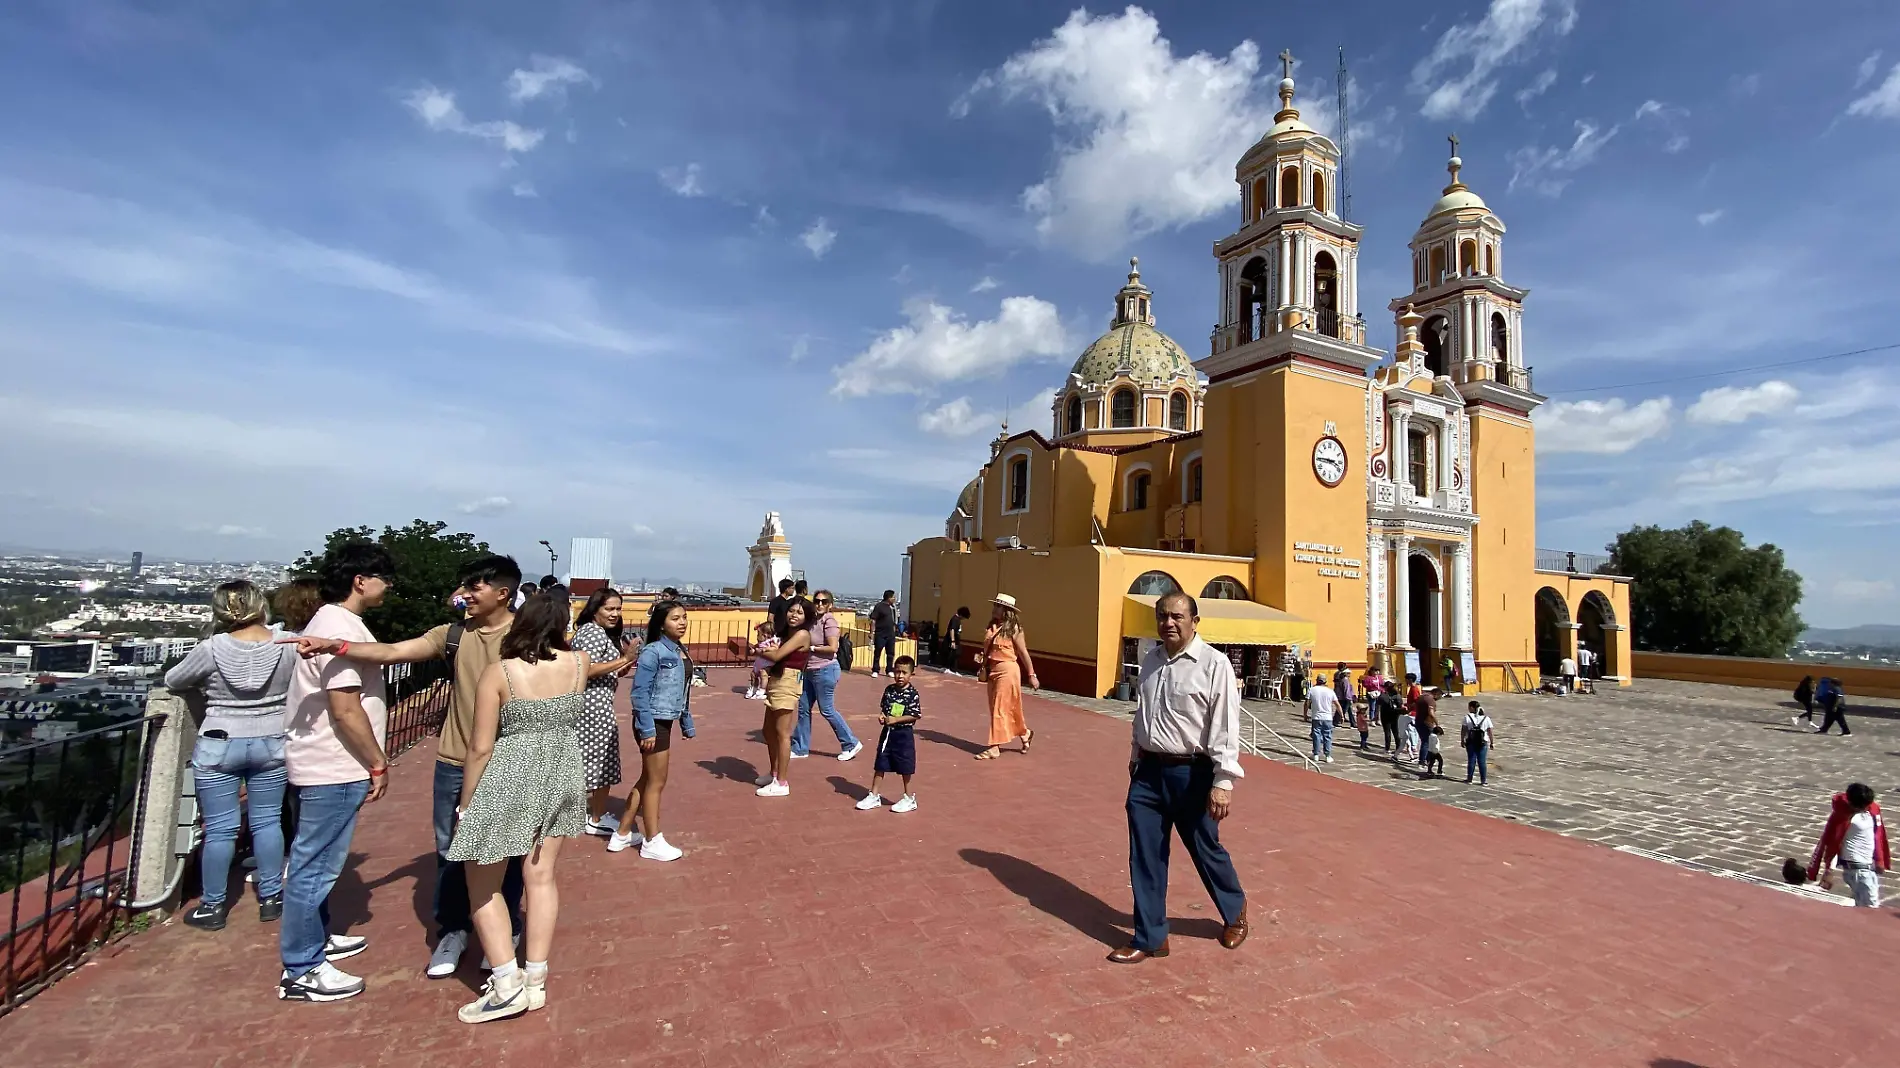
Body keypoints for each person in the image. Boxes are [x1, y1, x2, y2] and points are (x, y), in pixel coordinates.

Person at [288, 554, 526, 981]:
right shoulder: (452, 634)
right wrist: (334, 646)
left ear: (503, 593)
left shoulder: (526, 639)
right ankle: (453, 930)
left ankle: (505, 931)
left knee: (509, 850)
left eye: (475, 588)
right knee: (451, 851)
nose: (465, 595)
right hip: (454, 760)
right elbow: (394, 651)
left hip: (510, 760)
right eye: (464, 586)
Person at [446, 592, 589, 1023]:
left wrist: (466, 803)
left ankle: (506, 984)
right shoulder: (578, 663)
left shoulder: (501, 672)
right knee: (540, 876)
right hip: (562, 768)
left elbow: (480, 745)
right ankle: (535, 979)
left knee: (482, 879)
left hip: (511, 773)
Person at [276, 543, 392, 1002]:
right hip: (334, 764)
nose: (389, 588)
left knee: (317, 861)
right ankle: (301, 968)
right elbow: (345, 709)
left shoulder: (332, 624)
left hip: (323, 761)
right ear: (361, 580)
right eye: (384, 578)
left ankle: (316, 938)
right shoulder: (337, 623)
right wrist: (376, 761)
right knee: (315, 866)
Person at [1110, 591, 1248, 964]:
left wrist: (1223, 782)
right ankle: (1151, 936)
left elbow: (1225, 727)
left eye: (1176, 616)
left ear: (1194, 621)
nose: (1168, 622)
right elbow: (1143, 715)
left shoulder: (1214, 664)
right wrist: (1135, 756)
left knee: (1205, 848)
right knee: (1145, 855)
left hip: (1193, 773)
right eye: (1162, 616)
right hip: (1149, 774)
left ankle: (1234, 912)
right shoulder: (1151, 660)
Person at [165, 580, 297, 930]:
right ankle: (271, 896)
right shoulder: (287, 645)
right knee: (267, 821)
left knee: (221, 829)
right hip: (272, 739)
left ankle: (214, 905)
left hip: (220, 740)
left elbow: (174, 680)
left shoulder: (210, 648)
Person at [609, 600, 695, 860]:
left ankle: (622, 833)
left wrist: (686, 721)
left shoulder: (679, 650)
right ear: (661, 623)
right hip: (653, 722)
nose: (681, 623)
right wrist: (647, 729)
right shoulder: (653, 652)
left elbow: (684, 690)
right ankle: (652, 840)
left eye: (684, 617)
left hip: (666, 719)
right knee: (657, 782)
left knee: (648, 778)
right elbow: (639, 693)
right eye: (675, 618)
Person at [569, 588, 639, 837]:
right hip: (593, 708)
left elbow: (601, 669)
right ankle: (595, 818)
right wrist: (623, 659)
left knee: (587, 762)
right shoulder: (593, 633)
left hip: (594, 704)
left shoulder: (595, 633)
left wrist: (622, 664)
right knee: (601, 764)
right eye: (609, 609)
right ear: (595, 609)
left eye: (618, 609)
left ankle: (582, 814)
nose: (615, 614)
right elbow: (586, 669)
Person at [791, 590, 862, 762]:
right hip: (810, 671)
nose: (820, 604)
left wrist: (812, 649)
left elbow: (832, 648)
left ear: (830, 604)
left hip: (825, 670)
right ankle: (800, 747)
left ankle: (850, 743)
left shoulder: (829, 621)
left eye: (824, 602)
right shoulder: (813, 620)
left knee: (827, 709)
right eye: (817, 601)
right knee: (803, 708)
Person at [752, 600, 814, 796]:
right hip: (777, 679)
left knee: (782, 733)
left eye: (800, 612)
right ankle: (774, 772)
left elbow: (778, 655)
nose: (794, 615)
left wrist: (760, 651)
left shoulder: (802, 634)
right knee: (768, 730)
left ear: (807, 617)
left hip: (788, 681)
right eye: (792, 611)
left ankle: (782, 782)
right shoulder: (786, 633)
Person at [1806, 783, 1890, 908]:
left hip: (1869, 868)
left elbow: (1877, 836)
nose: (1867, 808)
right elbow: (1833, 844)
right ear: (1852, 804)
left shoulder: (1873, 809)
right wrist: (1829, 870)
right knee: (1871, 909)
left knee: (1863, 906)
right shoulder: (1843, 816)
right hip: (1857, 870)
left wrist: (1879, 860)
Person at [976, 594, 1039, 760]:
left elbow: (1024, 653)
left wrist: (1031, 675)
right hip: (992, 670)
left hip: (1008, 670)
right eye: (995, 605)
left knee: (999, 707)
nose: (994, 609)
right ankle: (1025, 733)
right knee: (1000, 708)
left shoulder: (1014, 629)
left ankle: (994, 747)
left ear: (1007, 611)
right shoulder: (992, 627)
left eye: (998, 606)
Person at [856, 655, 921, 813]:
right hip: (888, 733)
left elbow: (915, 714)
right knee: (881, 762)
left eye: (904, 672)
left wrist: (897, 719)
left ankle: (909, 797)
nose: (900, 676)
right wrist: (882, 715)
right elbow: (884, 708)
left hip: (903, 735)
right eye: (897, 672)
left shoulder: (913, 693)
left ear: (911, 674)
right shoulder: (889, 690)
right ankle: (874, 795)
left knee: (905, 766)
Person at [1305, 675, 1338, 765]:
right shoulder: (1330, 691)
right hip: (1327, 717)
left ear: (1317, 681)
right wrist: (1342, 715)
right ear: (1325, 681)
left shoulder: (1312, 690)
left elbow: (1307, 703)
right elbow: (1337, 704)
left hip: (1316, 717)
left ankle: (1316, 754)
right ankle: (1328, 755)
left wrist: (1305, 714)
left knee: (1316, 736)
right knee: (1327, 736)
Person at [869, 590, 900, 677]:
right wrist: (872, 632)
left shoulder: (893, 607)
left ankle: (889, 670)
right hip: (880, 634)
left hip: (890, 634)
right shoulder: (879, 606)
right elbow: (873, 620)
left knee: (890, 653)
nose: (894, 599)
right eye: (893, 597)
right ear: (888, 597)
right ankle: (875, 670)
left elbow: (894, 620)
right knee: (878, 652)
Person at [1462, 700, 1493, 785]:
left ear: (1472, 707)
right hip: (1483, 742)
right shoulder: (1486, 718)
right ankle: (1483, 781)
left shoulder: (1467, 717)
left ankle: (1469, 779)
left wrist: (1462, 740)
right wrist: (1492, 742)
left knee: (1471, 760)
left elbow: (1463, 730)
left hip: (1471, 741)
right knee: (1482, 762)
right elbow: (1489, 731)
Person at [745, 617, 776, 700]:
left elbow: (775, 648)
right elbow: (756, 647)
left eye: (758, 634)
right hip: (759, 662)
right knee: (753, 674)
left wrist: (766, 649)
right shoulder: (761, 642)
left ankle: (762, 690)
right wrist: (753, 650)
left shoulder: (771, 641)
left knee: (763, 674)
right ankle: (753, 688)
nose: (757, 637)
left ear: (765, 635)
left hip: (767, 662)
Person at [942, 606, 971, 671]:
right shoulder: (955, 619)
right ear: (961, 615)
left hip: (956, 640)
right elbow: (952, 629)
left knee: (956, 654)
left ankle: (953, 669)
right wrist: (953, 641)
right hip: (951, 640)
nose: (963, 619)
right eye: (964, 617)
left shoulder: (958, 620)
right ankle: (948, 668)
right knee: (952, 654)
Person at [1378, 680, 1403, 753]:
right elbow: (1400, 704)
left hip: (1385, 715)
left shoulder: (1383, 696)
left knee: (1387, 732)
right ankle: (1398, 747)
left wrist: (1376, 716)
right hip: (1395, 715)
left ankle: (1387, 748)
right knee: (1396, 732)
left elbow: (1378, 704)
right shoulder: (1397, 695)